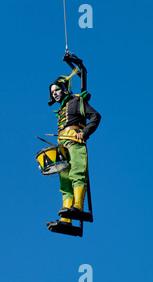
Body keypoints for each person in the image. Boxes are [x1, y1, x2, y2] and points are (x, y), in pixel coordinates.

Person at [46, 75, 101, 229]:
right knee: (65, 182)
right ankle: (66, 219)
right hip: (62, 148)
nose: (54, 94)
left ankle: (77, 206)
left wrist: (84, 133)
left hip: (75, 143)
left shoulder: (76, 102)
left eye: (56, 90)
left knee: (77, 174)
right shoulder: (62, 109)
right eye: (52, 92)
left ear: (64, 89)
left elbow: (95, 116)